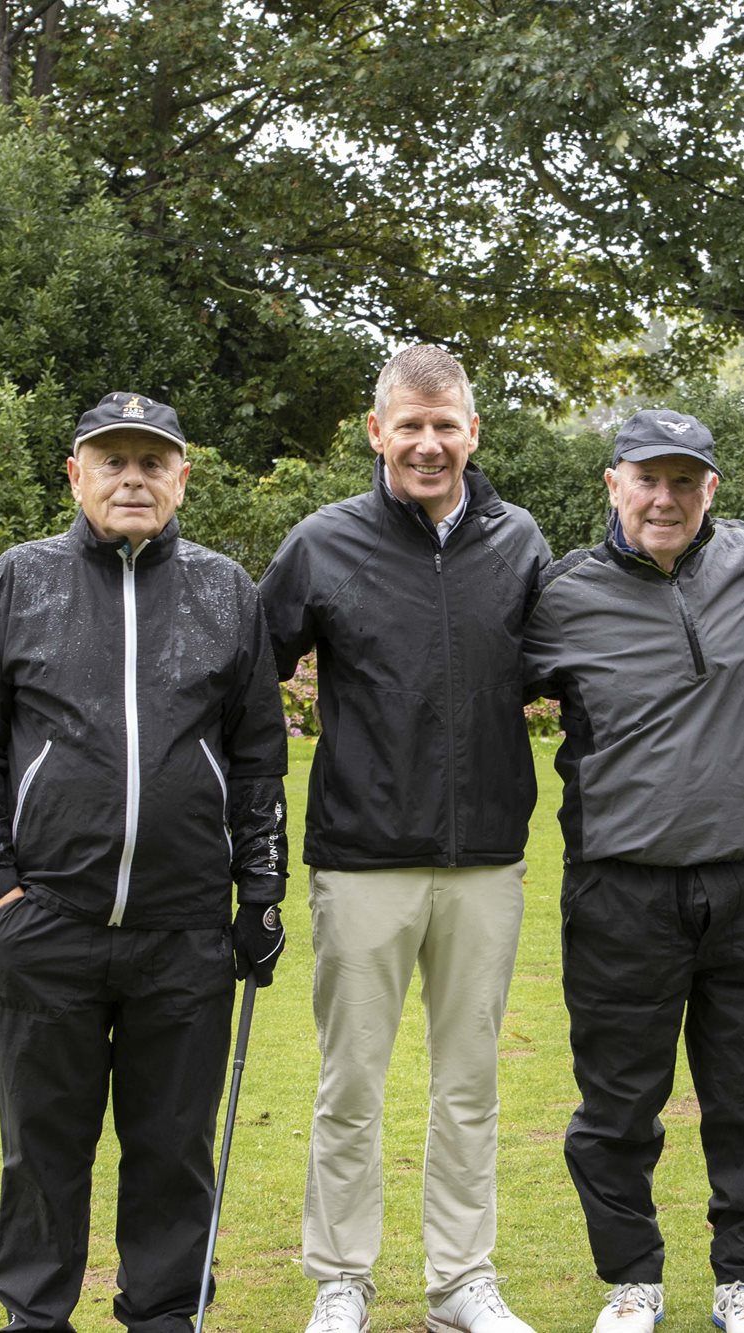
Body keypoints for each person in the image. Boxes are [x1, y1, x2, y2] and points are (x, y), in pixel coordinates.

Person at [0, 391, 291, 1333]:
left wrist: (261, 889)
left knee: (172, 1148)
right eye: (112, 461)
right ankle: (35, 1317)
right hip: (45, 924)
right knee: (43, 1149)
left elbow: (259, 756)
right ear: (76, 475)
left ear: (182, 477)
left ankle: (164, 1315)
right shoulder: (20, 581)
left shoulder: (225, 590)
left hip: (185, 931)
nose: (133, 478)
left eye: (152, 462)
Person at [258, 345, 552, 1333]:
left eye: (446, 425)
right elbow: (250, 678)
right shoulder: (322, 543)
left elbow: (566, 671)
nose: (429, 443)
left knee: (469, 1083)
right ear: (376, 431)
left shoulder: (517, 542)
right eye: (410, 425)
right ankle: (341, 1277)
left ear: (473, 431)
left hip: (485, 860)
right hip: (361, 858)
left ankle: (461, 1279)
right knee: (351, 1083)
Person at [524, 409, 744, 1333]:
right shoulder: (560, 594)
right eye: (647, 478)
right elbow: (467, 695)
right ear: (613, 483)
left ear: (710, 489)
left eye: (685, 480)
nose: (665, 498)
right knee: (616, 1103)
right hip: (621, 888)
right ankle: (632, 1279)